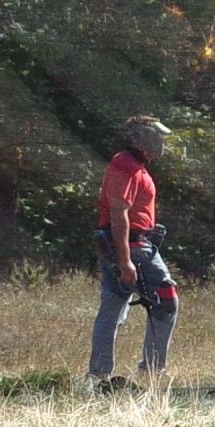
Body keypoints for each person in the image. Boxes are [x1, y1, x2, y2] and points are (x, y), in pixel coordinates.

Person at [86, 115, 179, 388]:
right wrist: (125, 260)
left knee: (113, 306)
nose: (160, 143)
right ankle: (152, 372)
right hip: (133, 247)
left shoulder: (134, 165)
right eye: (155, 137)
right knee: (166, 299)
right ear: (137, 139)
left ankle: (98, 376)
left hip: (129, 245)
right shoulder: (125, 164)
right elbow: (119, 213)